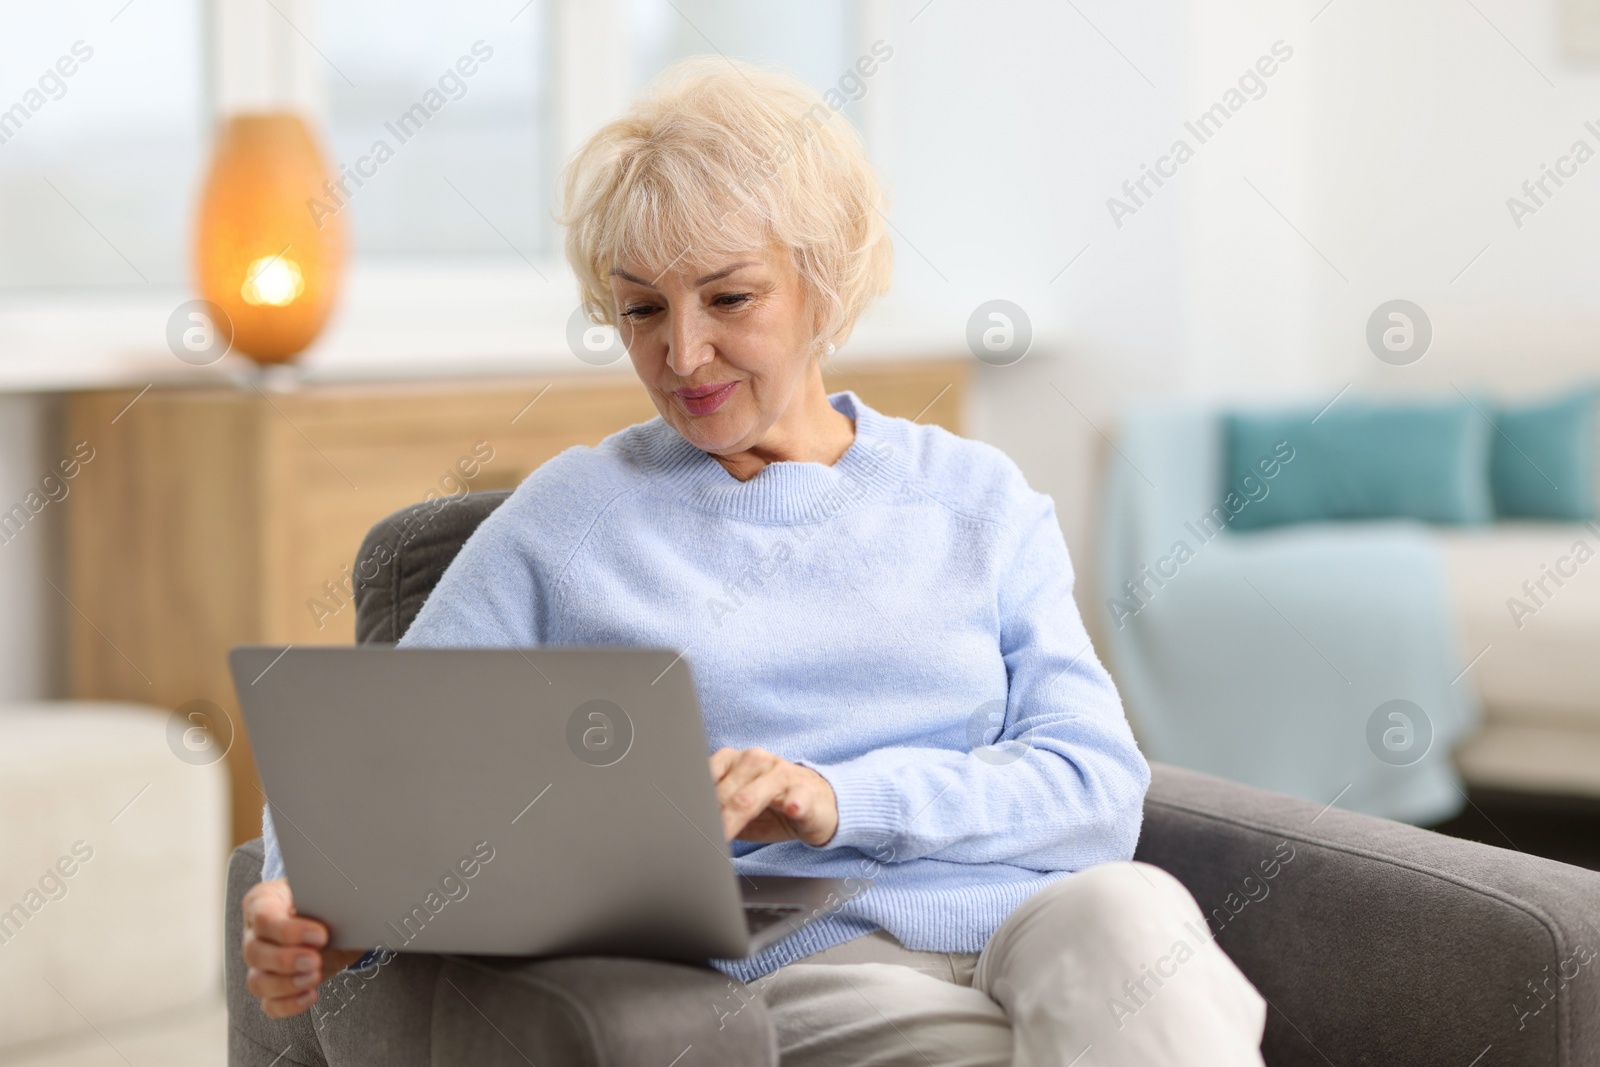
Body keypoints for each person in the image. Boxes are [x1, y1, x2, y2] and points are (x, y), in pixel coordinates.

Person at [241, 55, 1268, 1065]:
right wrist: (303, 900)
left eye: (728, 299)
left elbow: (1095, 786)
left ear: (821, 284)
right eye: (642, 308)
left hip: (1042, 915)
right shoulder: (570, 518)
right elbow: (372, 755)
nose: (682, 356)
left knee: (1140, 922)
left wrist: (839, 796)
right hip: (812, 961)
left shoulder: (980, 499)